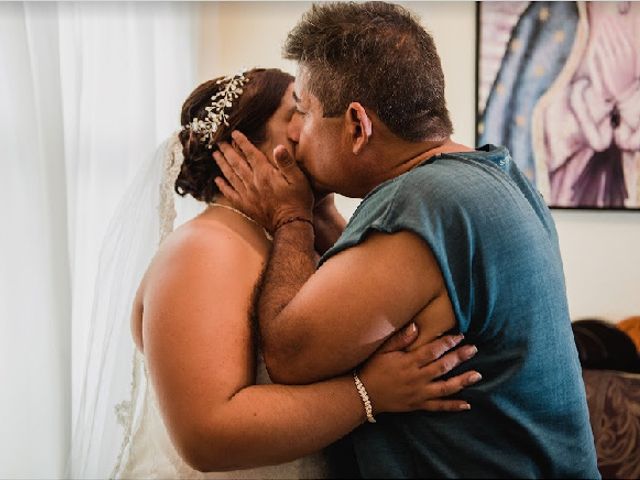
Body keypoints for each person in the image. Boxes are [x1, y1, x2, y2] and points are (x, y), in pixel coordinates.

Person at [213, 2, 601, 478]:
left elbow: (291, 355)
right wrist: (326, 215)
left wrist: (291, 216)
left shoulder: (423, 203)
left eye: (305, 112)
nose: (294, 135)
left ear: (357, 126)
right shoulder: (494, 174)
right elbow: (391, 283)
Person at [69, 67, 481, 479]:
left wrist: (315, 214)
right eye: (298, 112)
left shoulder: (280, 241)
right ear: (243, 146)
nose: (314, 129)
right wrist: (367, 394)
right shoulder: (205, 250)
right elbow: (206, 436)